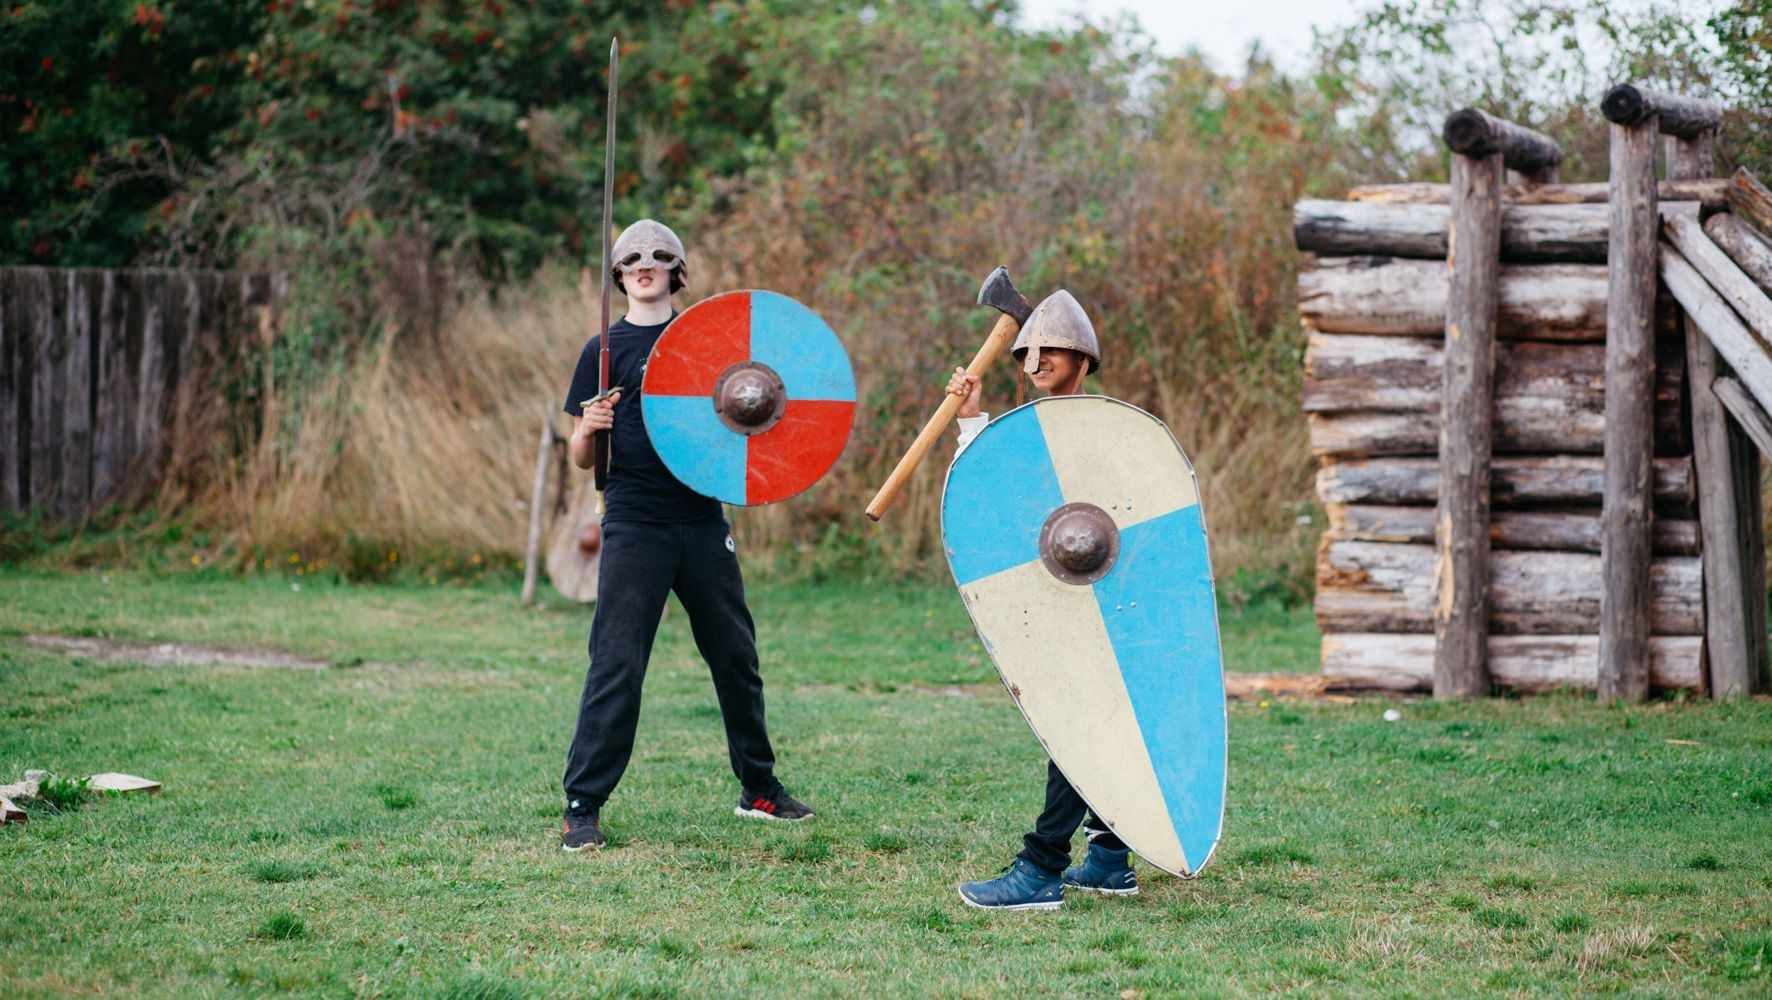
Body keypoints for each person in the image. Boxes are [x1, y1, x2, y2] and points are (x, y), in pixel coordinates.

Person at [559, 219, 812, 853]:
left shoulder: (707, 340)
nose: (645, 264)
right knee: (617, 663)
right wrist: (590, 426)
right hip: (634, 521)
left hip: (701, 519)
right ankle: (582, 805)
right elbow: (580, 458)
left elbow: (751, 411)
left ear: (677, 269)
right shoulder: (601, 351)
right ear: (618, 274)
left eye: (659, 255)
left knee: (735, 655)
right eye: (632, 258)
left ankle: (758, 787)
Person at [944, 290, 1137, 909]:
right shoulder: (1028, 431)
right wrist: (972, 418)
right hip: (1055, 598)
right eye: (1027, 350)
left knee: (1075, 730)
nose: (1036, 359)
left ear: (1082, 356)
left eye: (1051, 348)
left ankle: (1043, 867)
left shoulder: (1104, 428)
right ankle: (1109, 859)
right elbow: (993, 498)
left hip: (1104, 601)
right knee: (1093, 726)